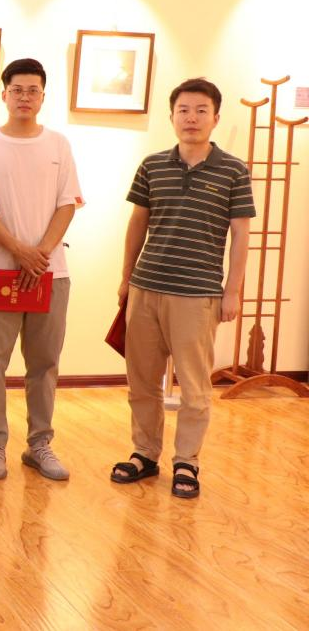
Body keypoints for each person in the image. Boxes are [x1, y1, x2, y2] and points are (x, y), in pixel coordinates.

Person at [112, 78, 253, 500]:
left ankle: (187, 461)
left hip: (198, 294)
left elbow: (240, 235)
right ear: (172, 116)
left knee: (194, 387)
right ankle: (144, 453)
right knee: (142, 381)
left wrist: (232, 291)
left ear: (216, 118)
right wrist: (126, 277)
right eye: (183, 110)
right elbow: (138, 223)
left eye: (201, 110)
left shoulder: (233, 170)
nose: (191, 118)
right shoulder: (152, 165)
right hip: (146, 288)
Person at [0, 59, 82, 482]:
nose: (24, 97)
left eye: (33, 90)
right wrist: (18, 250)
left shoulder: (58, 144)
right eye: (17, 89)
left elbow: (67, 202)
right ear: (4, 94)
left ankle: (40, 444)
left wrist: (41, 253)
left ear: (42, 97)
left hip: (50, 272)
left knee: (44, 362)